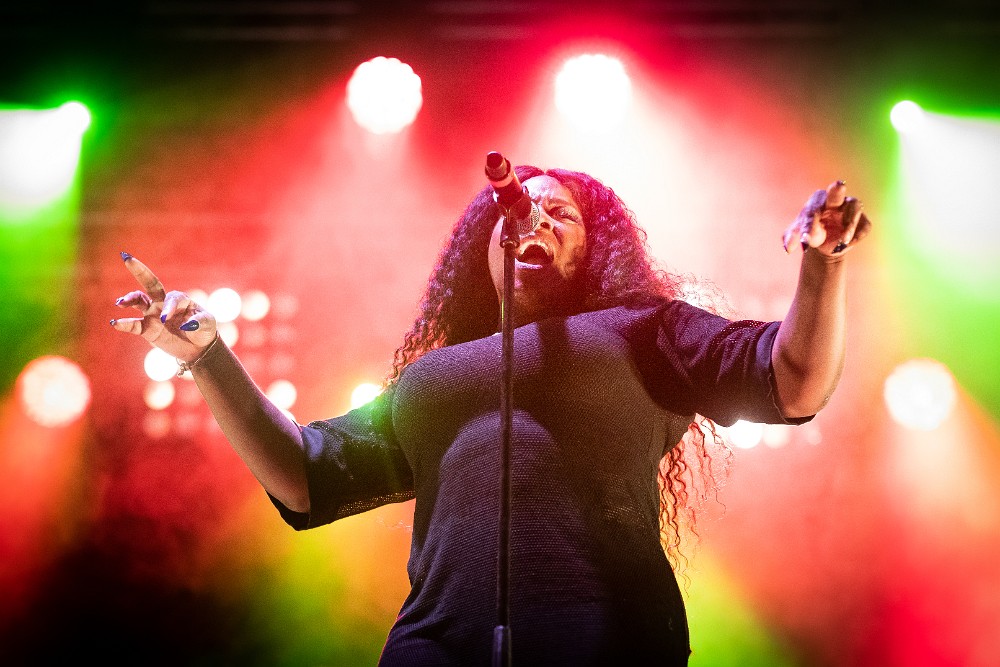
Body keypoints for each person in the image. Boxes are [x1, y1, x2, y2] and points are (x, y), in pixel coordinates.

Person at [110, 165, 871, 665]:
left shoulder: (642, 329)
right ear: (485, 249)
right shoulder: (432, 376)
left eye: (560, 214)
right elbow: (307, 477)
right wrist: (208, 357)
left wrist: (822, 263)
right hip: (433, 651)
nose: (535, 221)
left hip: (603, 640)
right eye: (517, 214)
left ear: (595, 246)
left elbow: (794, 383)